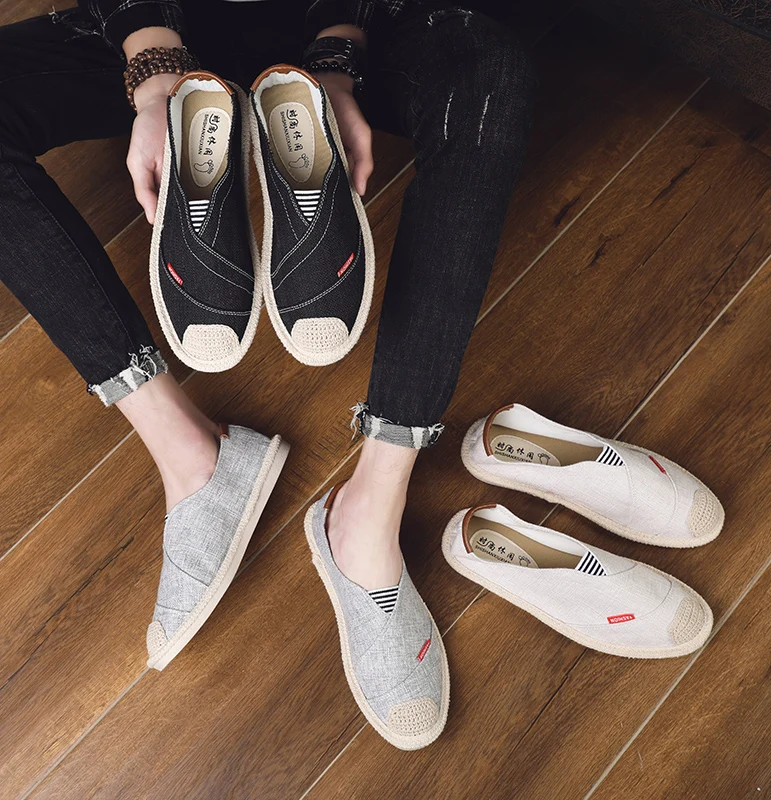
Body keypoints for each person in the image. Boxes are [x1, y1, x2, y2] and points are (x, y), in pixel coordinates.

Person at [0, 0, 535, 731]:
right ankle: (189, 453)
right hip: (169, 28)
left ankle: (372, 509)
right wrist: (154, 74)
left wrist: (337, 57)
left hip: (351, 23)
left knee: (488, 76)